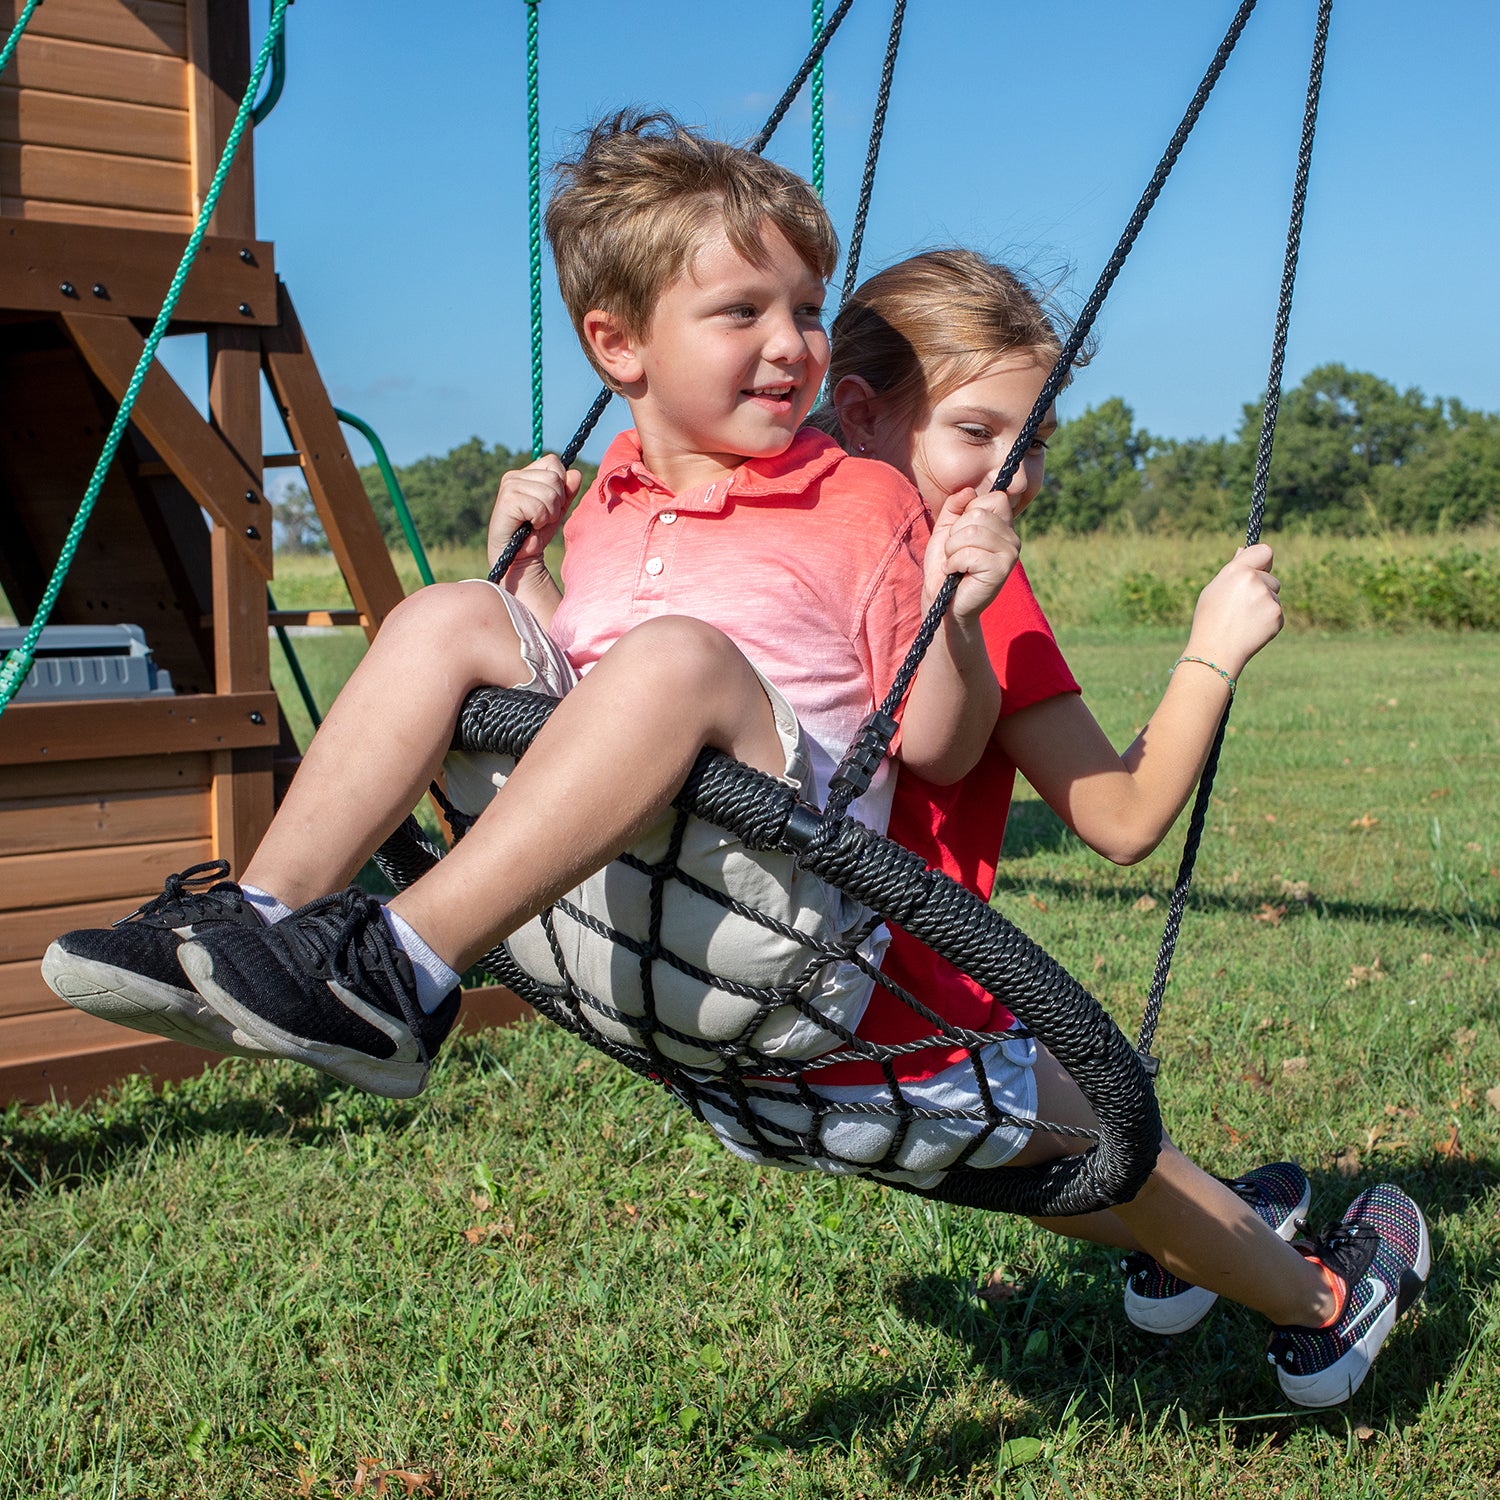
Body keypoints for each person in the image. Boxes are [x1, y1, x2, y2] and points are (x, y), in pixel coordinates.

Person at [797, 247, 1429, 1408]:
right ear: (862, 413)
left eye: (1034, 440)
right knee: (1124, 1157)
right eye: (979, 432)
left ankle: (1184, 1248)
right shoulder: (973, 583)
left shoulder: (776, 554)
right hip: (912, 1023)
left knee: (1118, 1153)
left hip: (753, 1004)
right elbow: (1124, 817)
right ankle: (1327, 1309)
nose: (1017, 475)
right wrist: (1213, 648)